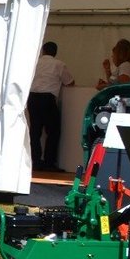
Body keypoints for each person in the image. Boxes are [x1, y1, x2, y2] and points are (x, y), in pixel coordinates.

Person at [28, 41, 74, 171]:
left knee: (35, 131)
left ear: (43, 51)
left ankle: (35, 161)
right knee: (53, 131)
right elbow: (70, 81)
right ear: (55, 52)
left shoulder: (35, 63)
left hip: (32, 98)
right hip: (47, 99)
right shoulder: (58, 64)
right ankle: (49, 162)